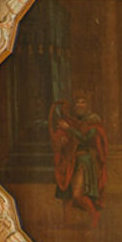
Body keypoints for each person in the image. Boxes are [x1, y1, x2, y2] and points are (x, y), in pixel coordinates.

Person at [49, 90, 108, 220]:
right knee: (66, 194)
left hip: (84, 160)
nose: (79, 105)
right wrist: (61, 138)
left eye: (83, 102)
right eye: (77, 102)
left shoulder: (93, 121)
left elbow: (85, 139)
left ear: (87, 105)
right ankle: (67, 224)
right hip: (70, 159)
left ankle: (94, 216)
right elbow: (64, 136)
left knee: (77, 194)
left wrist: (67, 129)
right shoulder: (72, 120)